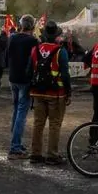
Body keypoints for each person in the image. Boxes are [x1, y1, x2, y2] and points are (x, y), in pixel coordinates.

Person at [27, 21, 71, 164]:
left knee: (38, 123)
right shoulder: (60, 51)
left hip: (38, 92)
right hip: (56, 93)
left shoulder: (35, 49)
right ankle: (52, 155)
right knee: (54, 124)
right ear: (57, 36)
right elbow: (65, 75)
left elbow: (29, 71)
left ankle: (35, 154)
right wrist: (68, 92)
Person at [5, 15, 39, 159]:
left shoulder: (12, 38)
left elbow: (7, 56)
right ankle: (15, 147)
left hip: (13, 77)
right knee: (21, 112)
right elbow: (36, 61)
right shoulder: (33, 41)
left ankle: (16, 142)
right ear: (32, 26)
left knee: (16, 109)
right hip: (25, 79)